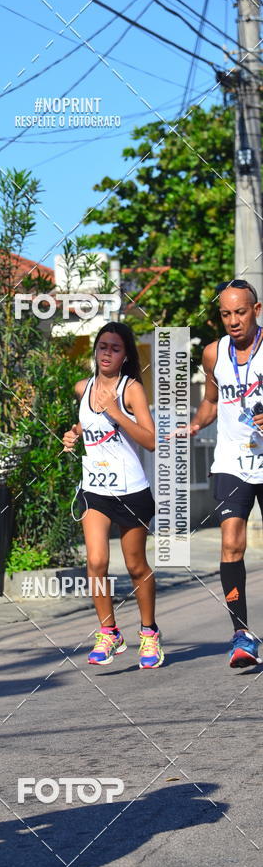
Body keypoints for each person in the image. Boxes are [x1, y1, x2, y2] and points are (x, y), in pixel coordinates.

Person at [63, 322, 163, 668]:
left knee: (136, 565)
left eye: (115, 348)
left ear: (125, 356)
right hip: (95, 489)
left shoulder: (130, 389)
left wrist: (115, 411)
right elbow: (86, 424)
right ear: (95, 351)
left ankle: (149, 633)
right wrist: (73, 434)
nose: (107, 353)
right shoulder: (82, 387)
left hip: (130, 490)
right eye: (102, 347)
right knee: (96, 562)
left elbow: (150, 440)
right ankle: (109, 633)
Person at [185, 279, 263, 668]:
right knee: (231, 543)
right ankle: (242, 635)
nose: (234, 320)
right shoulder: (214, 353)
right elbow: (211, 401)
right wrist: (195, 425)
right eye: (226, 314)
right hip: (232, 462)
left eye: (241, 312)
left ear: (257, 310)